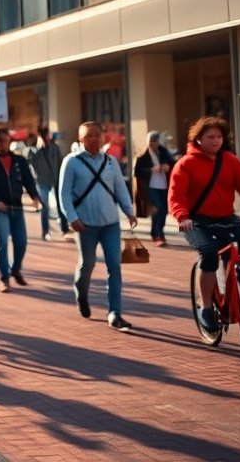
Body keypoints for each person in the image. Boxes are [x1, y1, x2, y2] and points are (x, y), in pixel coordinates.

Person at [169, 116, 240, 334]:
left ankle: (228, 283)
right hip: (197, 220)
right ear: (198, 139)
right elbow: (176, 194)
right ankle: (207, 307)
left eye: (219, 136)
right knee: (208, 254)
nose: (216, 141)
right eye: (210, 137)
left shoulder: (229, 160)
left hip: (227, 218)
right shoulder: (186, 164)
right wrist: (182, 217)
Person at [59, 121, 137, 332]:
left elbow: (120, 189)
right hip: (85, 224)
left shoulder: (111, 161)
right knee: (88, 264)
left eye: (97, 135)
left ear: (102, 138)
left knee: (115, 266)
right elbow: (64, 194)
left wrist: (129, 211)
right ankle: (81, 294)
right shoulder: (71, 162)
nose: (94, 138)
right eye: (89, 136)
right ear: (80, 139)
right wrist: (71, 217)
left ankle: (115, 312)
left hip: (110, 222)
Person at [0, 128, 43, 293]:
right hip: (0, 208)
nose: (3, 143)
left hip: (17, 206)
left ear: (9, 141)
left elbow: (28, 180)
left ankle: (15, 269)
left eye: (5, 140)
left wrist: (34, 196)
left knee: (21, 242)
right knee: (2, 243)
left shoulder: (19, 160)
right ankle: (4, 277)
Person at [133, 131, 176, 246]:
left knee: (164, 210)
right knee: (158, 208)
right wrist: (151, 169)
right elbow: (137, 172)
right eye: (150, 143)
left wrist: (168, 167)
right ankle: (158, 234)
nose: (152, 145)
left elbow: (174, 165)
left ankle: (156, 232)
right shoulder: (142, 155)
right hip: (150, 186)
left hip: (164, 185)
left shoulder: (164, 152)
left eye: (154, 142)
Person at [29, 126, 67, 240]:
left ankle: (64, 228)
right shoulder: (34, 150)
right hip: (42, 181)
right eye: (46, 135)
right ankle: (45, 231)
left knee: (61, 204)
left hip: (56, 179)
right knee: (45, 207)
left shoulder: (55, 148)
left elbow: (61, 162)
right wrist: (38, 147)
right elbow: (30, 161)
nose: (48, 137)